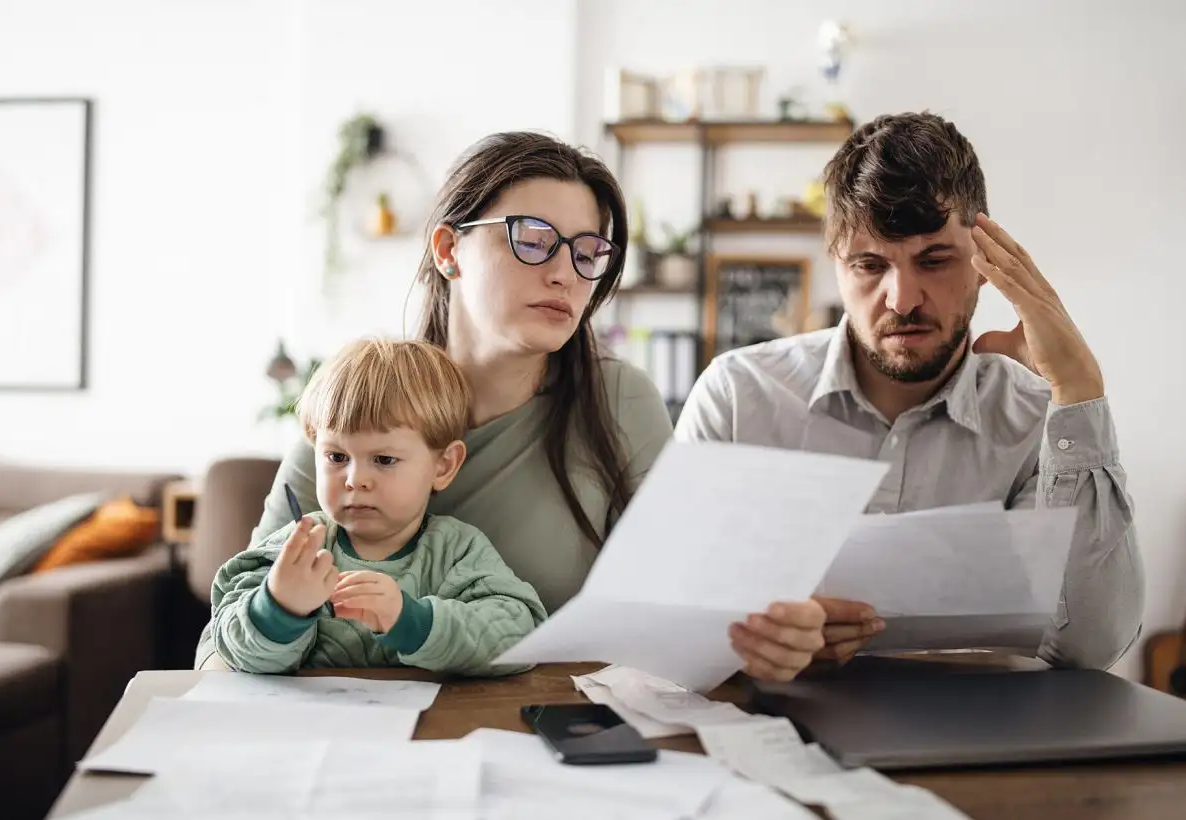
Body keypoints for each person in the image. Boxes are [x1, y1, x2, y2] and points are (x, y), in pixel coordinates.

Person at [195, 131, 827, 682]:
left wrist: (765, 635)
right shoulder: (357, 404)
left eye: (587, 253)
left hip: (542, 732)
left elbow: (688, 610)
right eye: (532, 239)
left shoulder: (619, 401)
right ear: (447, 250)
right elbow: (224, 644)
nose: (565, 275)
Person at [675, 111, 1143, 672]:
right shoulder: (736, 397)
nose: (902, 299)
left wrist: (1079, 388)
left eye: (935, 260)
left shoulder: (1042, 422)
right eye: (870, 265)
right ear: (837, 269)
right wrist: (757, 638)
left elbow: (1090, 647)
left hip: (978, 739)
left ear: (986, 263)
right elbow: (672, 615)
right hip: (769, 730)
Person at [210, 338, 547, 675]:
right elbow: (227, 642)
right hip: (311, 725)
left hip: (427, 725)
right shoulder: (295, 548)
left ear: (443, 466)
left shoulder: (456, 551)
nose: (355, 480)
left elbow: (519, 636)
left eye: (384, 459)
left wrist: (412, 621)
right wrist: (279, 609)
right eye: (337, 457)